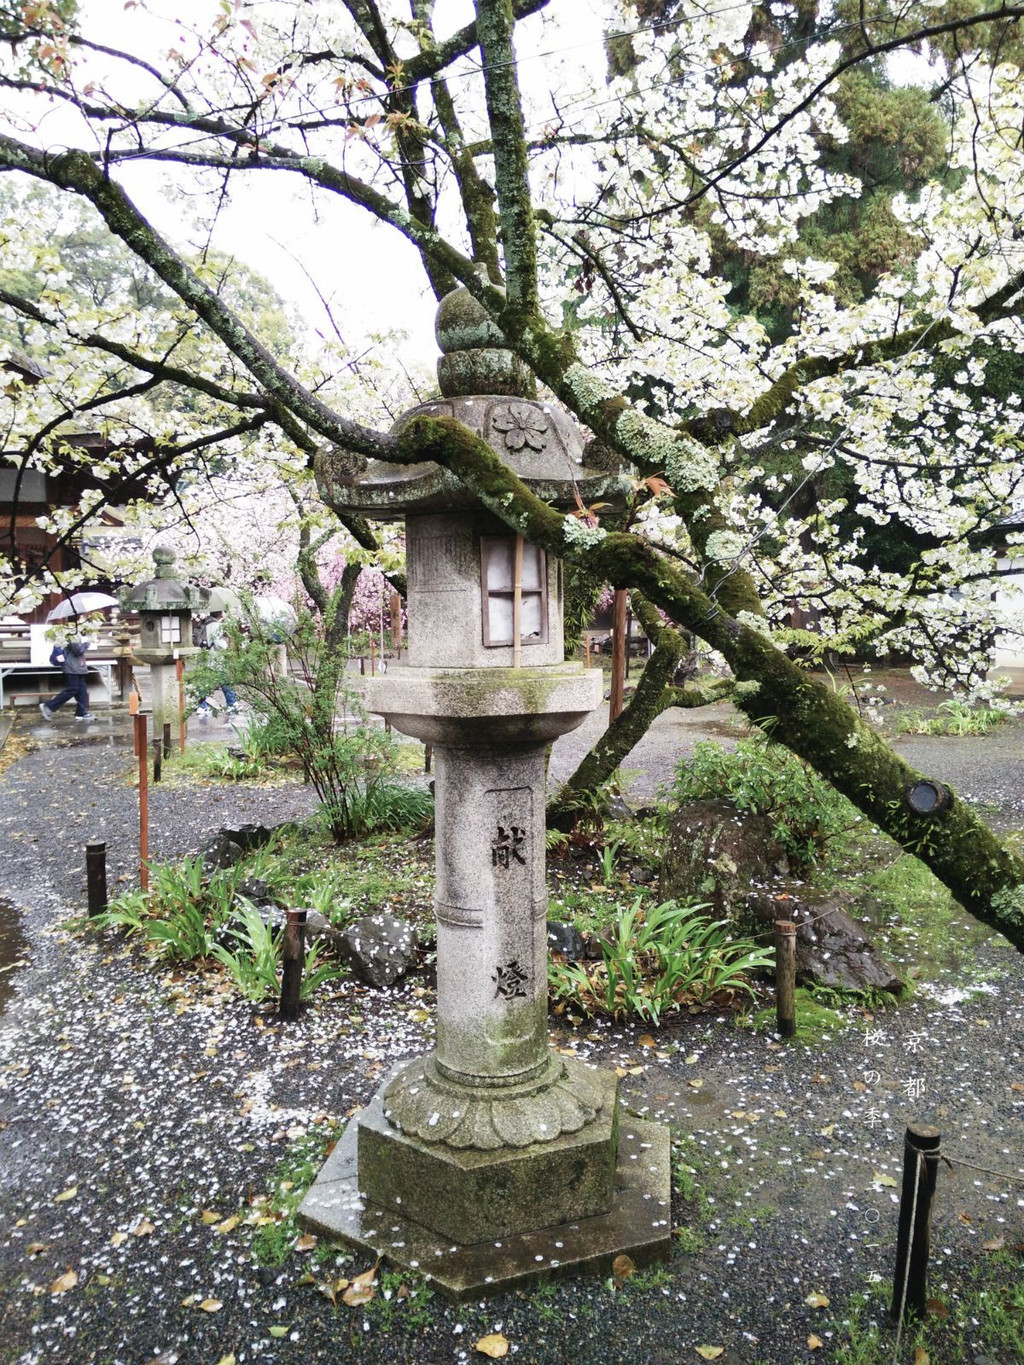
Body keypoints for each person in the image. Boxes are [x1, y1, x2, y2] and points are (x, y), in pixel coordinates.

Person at [194, 611, 238, 719]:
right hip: (214, 658)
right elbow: (218, 644)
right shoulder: (215, 625)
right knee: (224, 680)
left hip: (204, 656)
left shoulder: (204, 623)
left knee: (204, 682)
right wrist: (226, 644)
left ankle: (202, 706)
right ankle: (232, 703)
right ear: (219, 614)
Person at [39, 636, 94, 721]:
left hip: (77, 666)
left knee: (82, 690)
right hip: (72, 667)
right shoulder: (72, 634)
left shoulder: (76, 633)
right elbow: (78, 650)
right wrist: (87, 643)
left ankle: (81, 713)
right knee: (73, 689)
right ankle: (49, 706)